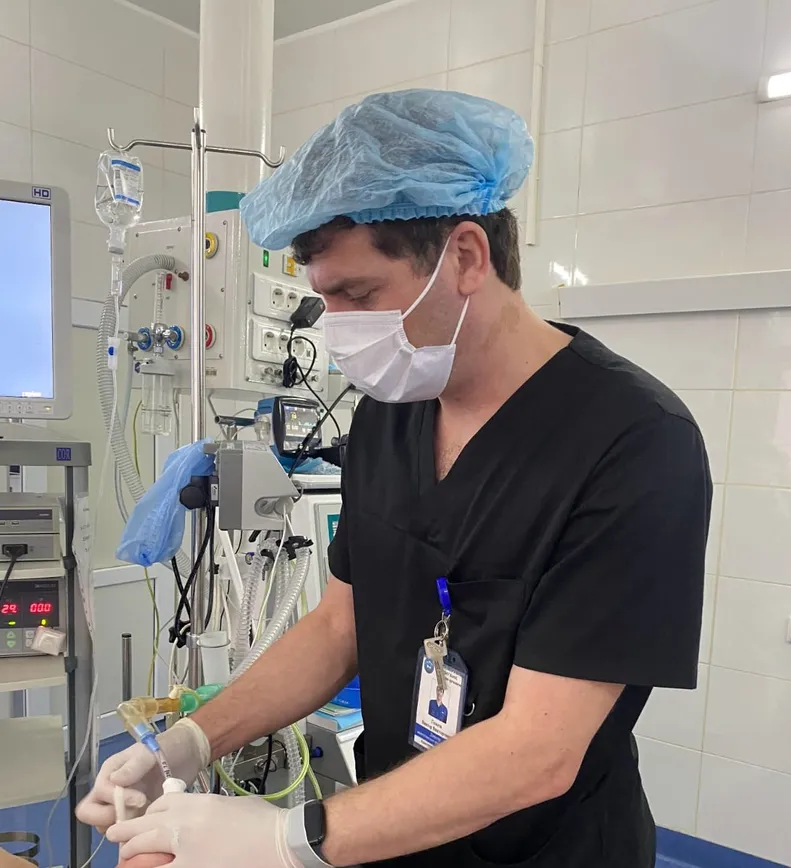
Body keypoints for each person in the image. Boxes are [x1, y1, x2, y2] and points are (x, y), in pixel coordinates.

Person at [77, 90, 711, 868]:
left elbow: (539, 751)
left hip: (546, 849)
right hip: (386, 829)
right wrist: (190, 741)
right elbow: (338, 627)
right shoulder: (391, 411)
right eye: (324, 298)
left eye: (359, 294)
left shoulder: (635, 442)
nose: (341, 325)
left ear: (466, 258)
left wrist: (282, 839)